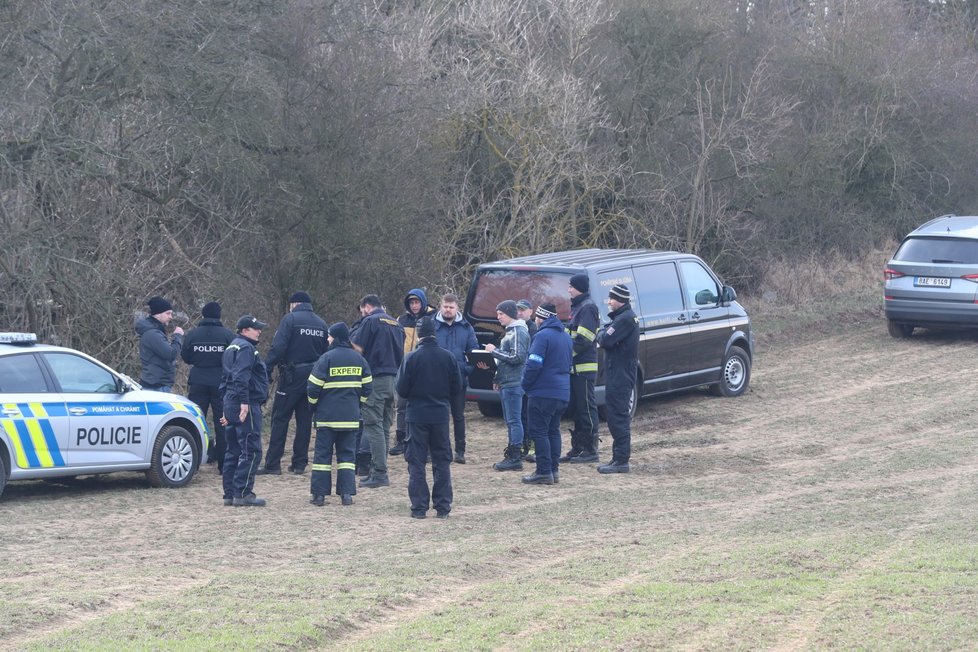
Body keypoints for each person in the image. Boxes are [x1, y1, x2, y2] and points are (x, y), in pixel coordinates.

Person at [396, 316, 462, 518]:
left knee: (416, 462)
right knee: (442, 461)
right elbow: (457, 387)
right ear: (435, 333)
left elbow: (402, 389)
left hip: (416, 415)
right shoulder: (448, 357)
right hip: (440, 415)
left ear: (419, 335)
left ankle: (419, 508)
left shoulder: (411, 358)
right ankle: (443, 507)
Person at [258, 291, 329, 476]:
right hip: (313, 377)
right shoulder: (322, 324)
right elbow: (325, 353)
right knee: (304, 421)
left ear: (294, 304)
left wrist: (267, 367)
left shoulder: (290, 320)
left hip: (291, 376)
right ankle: (299, 464)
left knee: (280, 418)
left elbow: (279, 346)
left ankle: (273, 464)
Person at [306, 322, 372, 506]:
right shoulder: (359, 359)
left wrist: (313, 406)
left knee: (322, 457)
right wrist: (357, 405)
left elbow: (312, 387)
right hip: (350, 419)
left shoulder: (326, 358)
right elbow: (368, 387)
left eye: (329, 336)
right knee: (347, 457)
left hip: (327, 418)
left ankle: (319, 496)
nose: (327, 339)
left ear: (334, 337)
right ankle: (346, 495)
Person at [350, 294, 404, 489]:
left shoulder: (369, 321)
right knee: (384, 427)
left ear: (366, 306)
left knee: (373, 425)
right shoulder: (396, 324)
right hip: (394, 381)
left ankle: (379, 473)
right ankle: (379, 469)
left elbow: (356, 349)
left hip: (375, 379)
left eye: (361, 309)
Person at [220, 315, 270, 507]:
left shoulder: (231, 346)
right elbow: (241, 376)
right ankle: (243, 493)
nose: (259, 331)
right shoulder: (247, 348)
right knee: (251, 449)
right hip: (245, 404)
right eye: (255, 328)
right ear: (244, 330)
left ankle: (230, 494)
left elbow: (225, 379)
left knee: (233, 449)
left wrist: (226, 405)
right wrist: (244, 402)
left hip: (230, 401)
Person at [521, 303, 573, 485]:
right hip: (562, 393)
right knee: (553, 431)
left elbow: (534, 364)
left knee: (539, 432)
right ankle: (554, 470)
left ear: (541, 317)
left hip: (543, 392)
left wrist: (525, 385)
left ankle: (543, 471)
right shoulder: (565, 336)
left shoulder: (541, 336)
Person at [181, 301, 234, 470]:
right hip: (221, 382)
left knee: (195, 421)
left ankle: (193, 462)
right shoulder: (228, 335)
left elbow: (186, 357)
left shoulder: (192, 335)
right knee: (222, 422)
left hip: (198, 381)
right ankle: (223, 464)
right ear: (219, 315)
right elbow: (233, 359)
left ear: (203, 315)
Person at [597, 284, 639, 474]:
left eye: (611, 298)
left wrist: (601, 334)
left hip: (621, 375)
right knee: (614, 416)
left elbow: (605, 339)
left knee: (618, 417)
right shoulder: (622, 318)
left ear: (619, 300)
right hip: (617, 374)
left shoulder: (625, 320)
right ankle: (617, 458)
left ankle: (621, 460)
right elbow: (606, 335)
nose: (609, 302)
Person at [433, 293, 479, 463]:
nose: (448, 310)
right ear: (440, 306)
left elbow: (473, 352)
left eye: (451, 307)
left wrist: (466, 370)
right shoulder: (431, 325)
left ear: (457, 308)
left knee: (458, 416)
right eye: (445, 306)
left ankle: (460, 451)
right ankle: (442, 449)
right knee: (439, 416)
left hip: (459, 379)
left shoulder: (467, 327)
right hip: (436, 381)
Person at [391, 288, 436, 456]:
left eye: (417, 302)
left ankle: (423, 441)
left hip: (423, 368)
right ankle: (401, 439)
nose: (414, 305)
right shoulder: (401, 320)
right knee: (401, 405)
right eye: (411, 302)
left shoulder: (432, 318)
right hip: (403, 366)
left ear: (423, 302)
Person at [561, 273, 601, 464]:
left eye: (571, 286)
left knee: (586, 409)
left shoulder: (588, 308)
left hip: (584, 369)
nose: (568, 289)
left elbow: (584, 340)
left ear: (579, 288)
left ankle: (591, 449)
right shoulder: (577, 307)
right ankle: (578, 447)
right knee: (577, 410)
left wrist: (565, 355)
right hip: (574, 369)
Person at [485, 300, 529, 471]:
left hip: (514, 383)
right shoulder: (511, 332)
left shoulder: (518, 332)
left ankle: (515, 456)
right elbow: (506, 360)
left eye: (501, 314)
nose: (498, 317)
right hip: (507, 382)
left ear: (510, 313)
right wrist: (497, 378)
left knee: (514, 420)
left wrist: (493, 351)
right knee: (510, 421)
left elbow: (517, 357)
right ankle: (512, 453)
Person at [135, 296, 185, 393]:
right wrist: (178, 336)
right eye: (168, 313)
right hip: (156, 386)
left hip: (155, 383)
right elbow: (171, 354)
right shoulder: (153, 334)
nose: (171, 317)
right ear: (157, 314)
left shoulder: (154, 331)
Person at [515, 299, 537, 461]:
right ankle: (523, 444)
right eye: (518, 310)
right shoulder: (517, 328)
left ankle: (532, 445)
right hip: (519, 377)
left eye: (523, 310)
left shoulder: (532, 329)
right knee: (521, 413)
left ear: (531, 311)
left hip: (530, 377)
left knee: (530, 413)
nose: (520, 313)